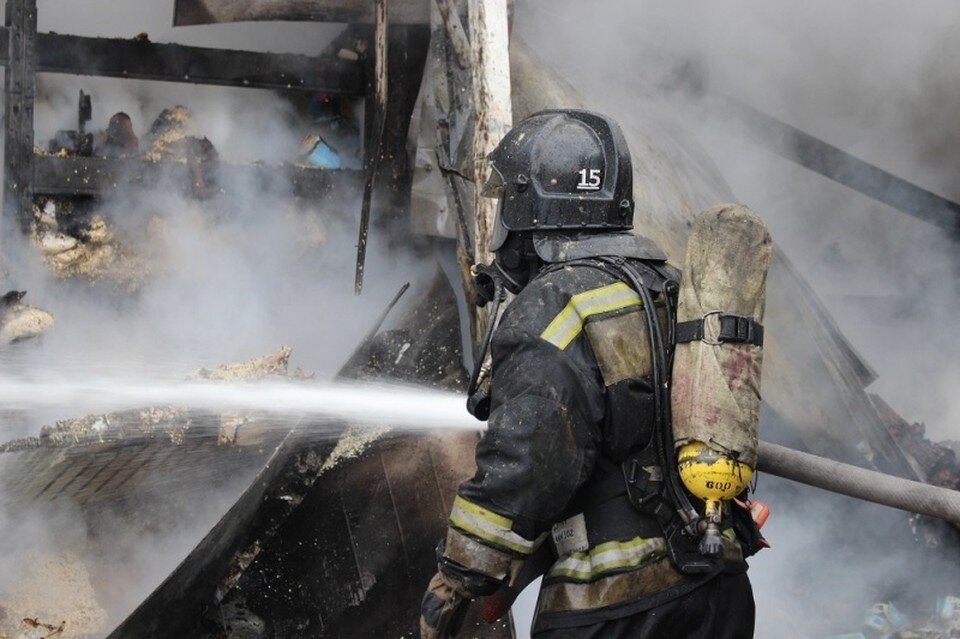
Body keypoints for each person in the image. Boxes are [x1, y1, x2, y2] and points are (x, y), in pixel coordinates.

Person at [419, 110, 758, 638]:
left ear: (530, 205)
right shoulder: (665, 287)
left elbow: (526, 464)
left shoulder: (552, 306)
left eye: (506, 198)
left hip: (616, 604)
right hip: (718, 586)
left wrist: (457, 578)